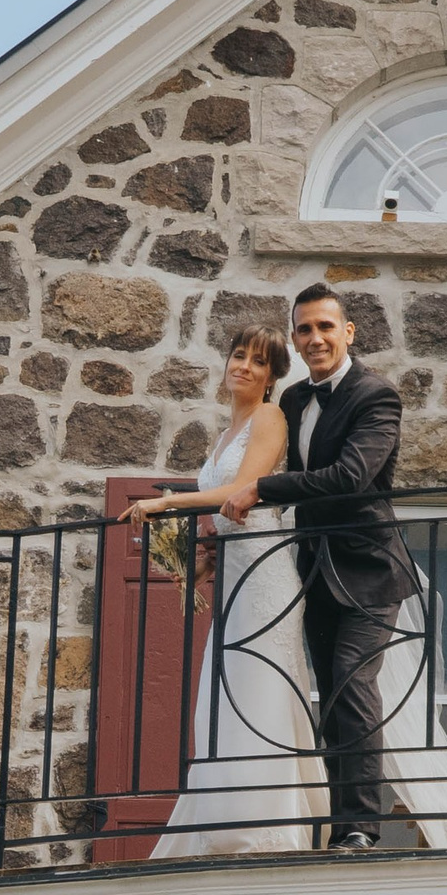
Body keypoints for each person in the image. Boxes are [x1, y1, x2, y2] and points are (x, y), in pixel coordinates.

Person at [215, 284, 447, 854]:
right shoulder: (293, 401)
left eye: (325, 326)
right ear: (295, 340)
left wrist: (260, 487)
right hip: (309, 569)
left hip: (369, 568)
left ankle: (359, 829)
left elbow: (350, 477)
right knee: (329, 693)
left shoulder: (377, 396)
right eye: (304, 329)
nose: (315, 338)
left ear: (348, 332)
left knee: (351, 682)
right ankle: (333, 820)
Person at [130, 331, 326, 857]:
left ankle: (263, 830)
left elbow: (243, 491)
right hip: (235, 575)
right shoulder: (225, 431)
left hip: (265, 577)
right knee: (222, 694)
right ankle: (223, 822)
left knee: (257, 686)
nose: (243, 367)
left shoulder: (269, 419)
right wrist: (199, 561)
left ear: (271, 376)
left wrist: (168, 504)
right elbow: (227, 517)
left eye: (257, 362)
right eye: (238, 356)